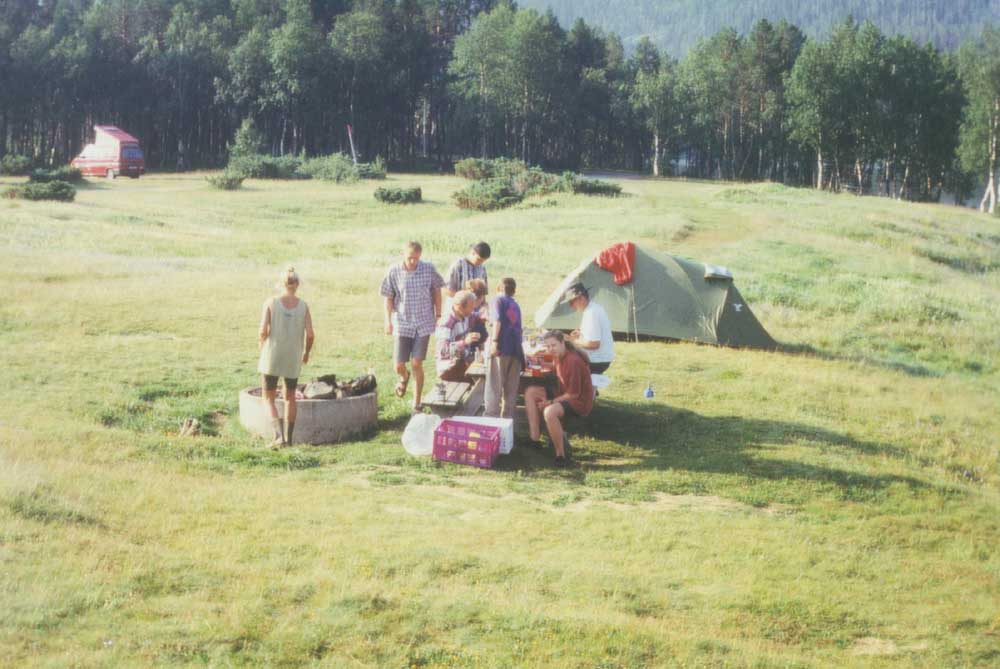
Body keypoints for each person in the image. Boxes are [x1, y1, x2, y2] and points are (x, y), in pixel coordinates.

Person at [380, 241, 444, 412]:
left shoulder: (428, 269)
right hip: (402, 321)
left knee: (417, 363)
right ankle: (404, 377)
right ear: (403, 255)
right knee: (399, 364)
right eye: (410, 258)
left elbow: (437, 289)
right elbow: (388, 297)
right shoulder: (393, 271)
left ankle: (417, 403)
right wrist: (387, 321)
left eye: (416, 258)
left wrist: (438, 314)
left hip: (423, 321)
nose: (413, 262)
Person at [257, 266, 315, 448]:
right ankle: (289, 440)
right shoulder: (304, 306)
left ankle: (277, 436)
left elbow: (263, 330)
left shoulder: (270, 302)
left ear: (282, 284)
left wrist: (261, 343)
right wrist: (305, 353)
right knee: (290, 397)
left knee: (269, 398)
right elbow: (311, 334)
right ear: (297, 284)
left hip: (272, 355)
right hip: (293, 356)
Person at [523, 330, 593, 466]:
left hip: (579, 402)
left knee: (549, 412)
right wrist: (537, 362)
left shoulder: (573, 361)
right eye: (548, 346)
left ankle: (560, 455)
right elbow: (555, 368)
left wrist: (550, 402)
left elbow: (573, 394)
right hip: (563, 393)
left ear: (562, 343)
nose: (550, 349)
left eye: (553, 345)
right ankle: (535, 440)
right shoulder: (559, 356)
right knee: (531, 392)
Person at [485, 278, 524, 420]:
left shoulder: (497, 300)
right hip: (516, 349)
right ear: (514, 291)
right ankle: (508, 420)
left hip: (502, 346)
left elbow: (497, 321)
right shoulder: (515, 304)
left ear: (498, 288)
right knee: (511, 389)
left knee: (494, 385)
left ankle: (491, 419)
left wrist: (494, 341)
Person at [565, 283, 615, 374]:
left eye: (571, 302)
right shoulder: (593, 308)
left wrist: (571, 340)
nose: (571, 306)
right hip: (599, 358)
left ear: (581, 298)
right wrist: (581, 334)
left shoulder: (591, 313)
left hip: (597, 360)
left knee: (567, 364)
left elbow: (593, 344)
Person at [434, 290, 480, 382]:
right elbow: (443, 352)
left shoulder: (465, 315)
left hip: (462, 362)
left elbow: (477, 315)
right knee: (482, 378)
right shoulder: (446, 323)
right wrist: (465, 342)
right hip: (450, 368)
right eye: (471, 307)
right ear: (460, 306)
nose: (472, 310)